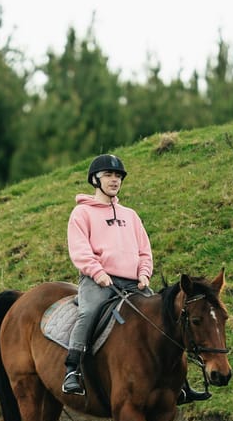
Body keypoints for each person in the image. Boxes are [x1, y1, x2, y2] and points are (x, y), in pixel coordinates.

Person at [62, 153, 210, 402]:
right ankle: (72, 370)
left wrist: (143, 274)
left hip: (134, 284)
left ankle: (180, 383)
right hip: (99, 281)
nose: (114, 180)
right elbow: (80, 251)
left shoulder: (130, 215)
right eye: (108, 175)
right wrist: (99, 274)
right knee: (89, 313)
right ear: (95, 180)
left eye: (118, 176)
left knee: (166, 319)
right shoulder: (81, 213)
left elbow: (144, 250)